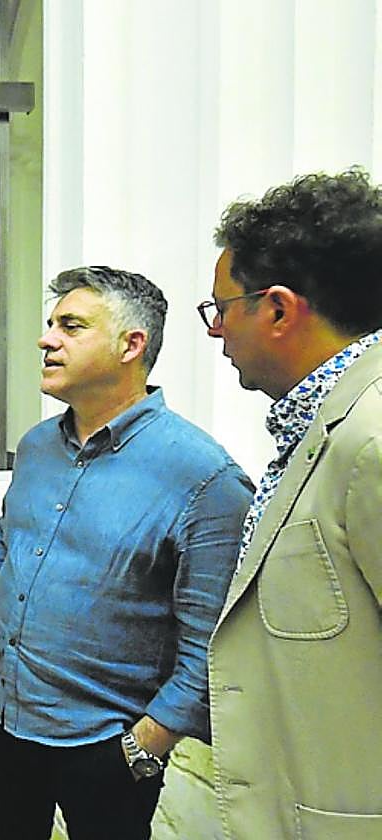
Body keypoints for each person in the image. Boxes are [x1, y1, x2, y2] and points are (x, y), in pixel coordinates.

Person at [0, 266, 253, 840]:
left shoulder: (204, 478)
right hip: (2, 716)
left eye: (70, 326)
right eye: (51, 325)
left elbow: (210, 645)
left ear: (131, 345)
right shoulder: (38, 445)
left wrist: (146, 746)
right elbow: (9, 534)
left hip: (105, 746)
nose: (47, 339)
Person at [203, 169, 382, 840]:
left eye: (223, 308)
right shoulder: (319, 428)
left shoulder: (371, 439)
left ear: (277, 310)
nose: (217, 330)